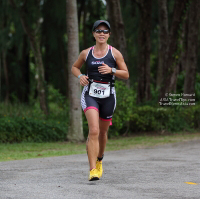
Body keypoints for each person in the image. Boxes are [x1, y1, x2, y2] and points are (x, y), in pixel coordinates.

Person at [71, 20, 129, 181]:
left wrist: (112, 70)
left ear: (109, 34)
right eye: (98, 30)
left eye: (105, 31)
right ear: (93, 34)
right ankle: (92, 170)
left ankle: (99, 160)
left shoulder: (115, 53)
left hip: (108, 96)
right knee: (94, 130)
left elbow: (126, 74)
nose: (101, 33)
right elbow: (74, 67)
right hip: (90, 94)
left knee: (103, 132)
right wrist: (81, 76)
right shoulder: (86, 53)